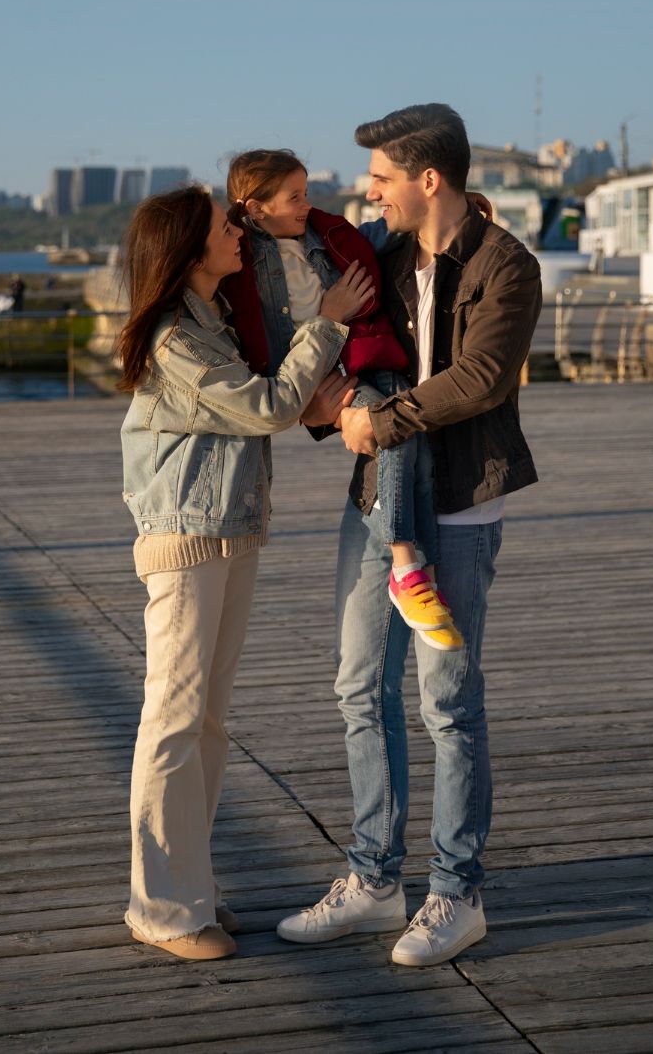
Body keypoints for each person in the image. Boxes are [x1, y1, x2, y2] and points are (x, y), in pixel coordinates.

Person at [276, 104, 542, 968]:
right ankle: (374, 880)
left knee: (448, 705)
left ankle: (457, 894)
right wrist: (329, 410)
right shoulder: (378, 256)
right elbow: (335, 339)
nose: (370, 193)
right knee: (359, 686)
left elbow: (483, 378)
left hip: (460, 507)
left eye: (383, 179)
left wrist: (384, 420)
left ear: (430, 180)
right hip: (378, 506)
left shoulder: (507, 265)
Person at [120, 185, 371, 962]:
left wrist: (316, 398)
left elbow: (258, 409)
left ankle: (193, 892)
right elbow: (260, 406)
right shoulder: (174, 338)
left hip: (228, 533)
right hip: (186, 539)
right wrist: (328, 320)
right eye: (226, 227)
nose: (239, 233)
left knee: (207, 724)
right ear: (191, 250)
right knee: (172, 722)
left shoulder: (215, 319)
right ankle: (161, 909)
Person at [220, 150, 461, 648]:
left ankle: (423, 572)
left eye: (307, 192)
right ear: (256, 208)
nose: (307, 204)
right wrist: (325, 324)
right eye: (295, 197)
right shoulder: (240, 259)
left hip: (360, 361)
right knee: (392, 431)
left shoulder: (321, 235)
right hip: (319, 371)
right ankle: (405, 568)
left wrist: (451, 212)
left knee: (410, 445)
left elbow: (373, 234)